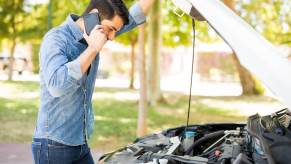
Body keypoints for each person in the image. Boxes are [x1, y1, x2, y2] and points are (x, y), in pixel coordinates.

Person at [31, 0, 155, 163]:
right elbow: (57, 86)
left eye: (114, 31)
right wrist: (92, 49)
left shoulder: (100, 31)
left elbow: (133, 16)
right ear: (93, 16)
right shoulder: (56, 39)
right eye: (111, 29)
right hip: (53, 145)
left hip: (80, 142)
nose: (112, 37)